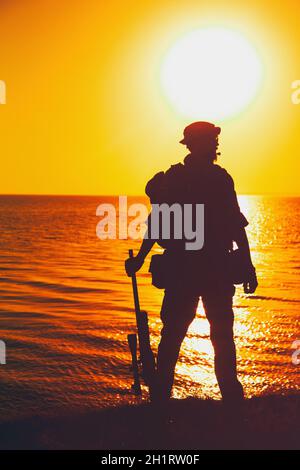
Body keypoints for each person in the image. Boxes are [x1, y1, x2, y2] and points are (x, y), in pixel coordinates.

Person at [125, 122, 258, 409]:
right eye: (209, 141)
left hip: (205, 270)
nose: (213, 146)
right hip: (194, 270)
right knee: (178, 338)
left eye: (214, 141)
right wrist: (139, 258)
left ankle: (229, 403)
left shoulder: (217, 179)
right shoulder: (183, 179)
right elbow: (158, 222)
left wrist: (249, 266)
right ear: (195, 144)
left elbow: (235, 225)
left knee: (215, 338)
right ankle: (163, 401)